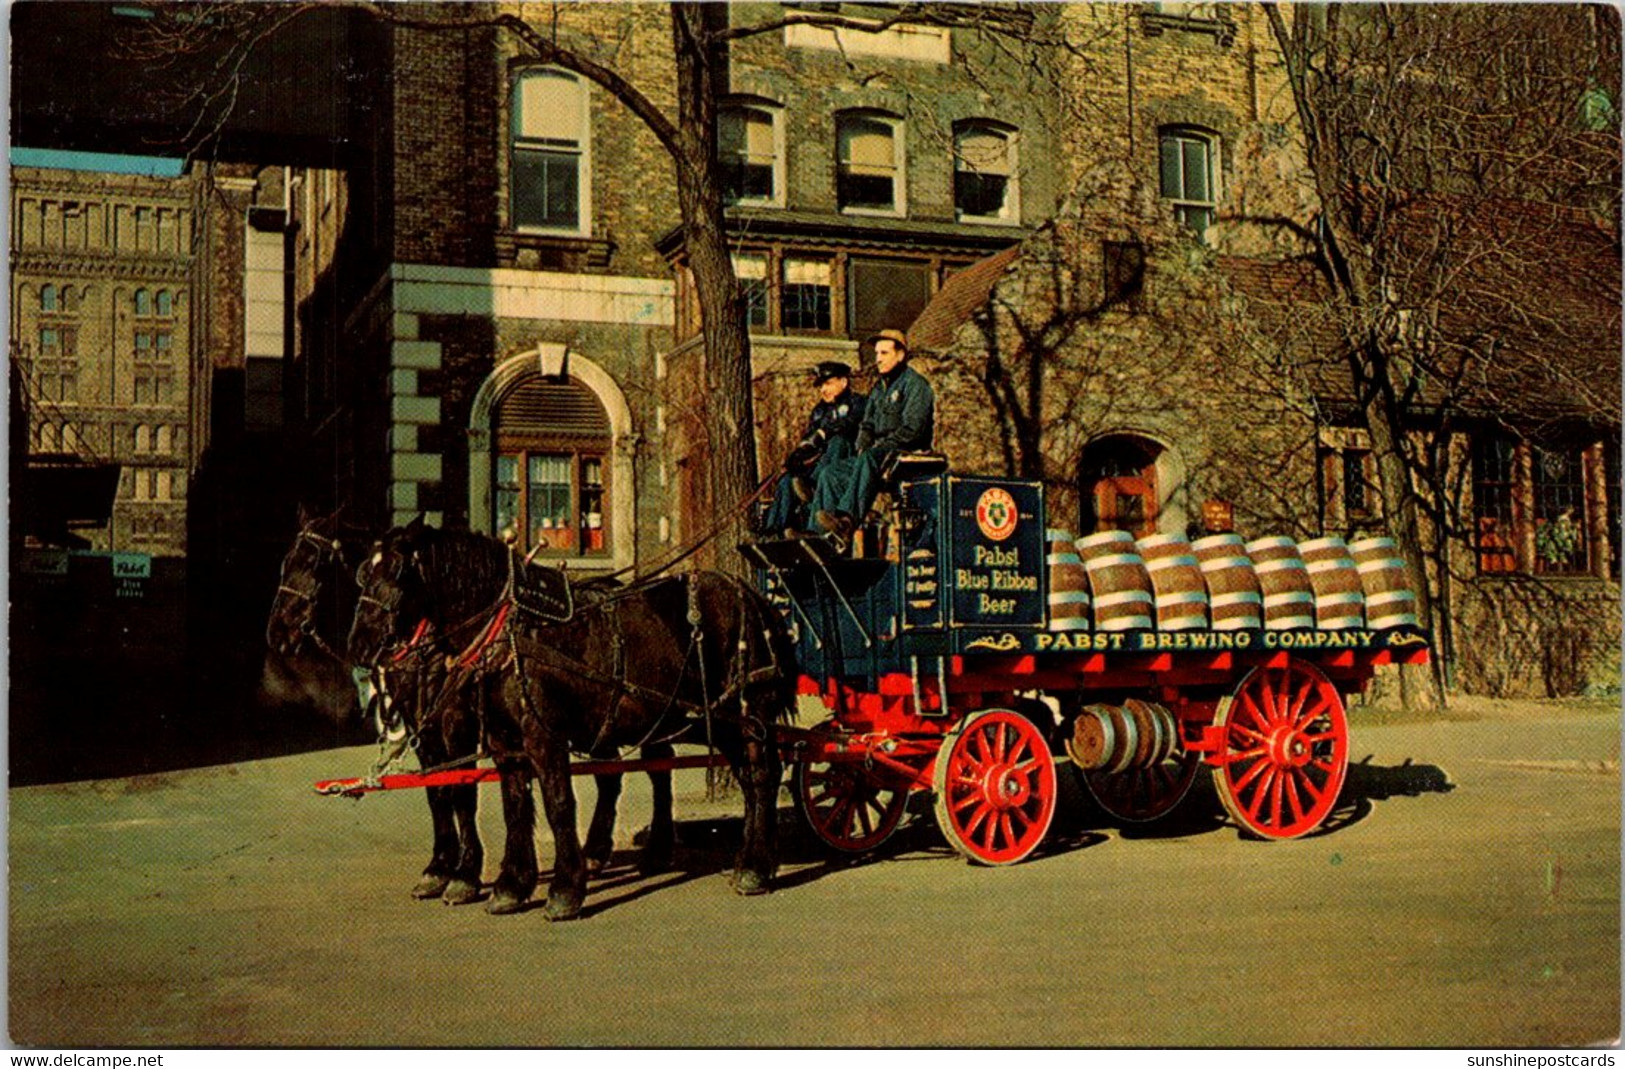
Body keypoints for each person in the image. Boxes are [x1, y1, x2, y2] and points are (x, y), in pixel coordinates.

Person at [810, 328, 934, 540]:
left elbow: (913, 429)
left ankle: (846, 521)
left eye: (884, 353)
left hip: (905, 450)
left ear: (901, 355)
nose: (877, 359)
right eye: (876, 354)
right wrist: (863, 443)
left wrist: (881, 446)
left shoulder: (916, 385)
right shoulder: (879, 388)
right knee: (830, 473)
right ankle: (816, 536)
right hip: (877, 453)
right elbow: (867, 423)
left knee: (868, 459)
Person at [758, 361, 866, 536]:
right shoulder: (819, 411)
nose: (823, 389)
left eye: (828, 383)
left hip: (845, 459)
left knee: (837, 441)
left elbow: (850, 425)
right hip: (820, 462)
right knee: (787, 480)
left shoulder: (858, 402)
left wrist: (825, 432)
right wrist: (798, 456)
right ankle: (773, 529)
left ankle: (812, 489)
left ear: (843, 382)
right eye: (821, 385)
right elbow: (810, 438)